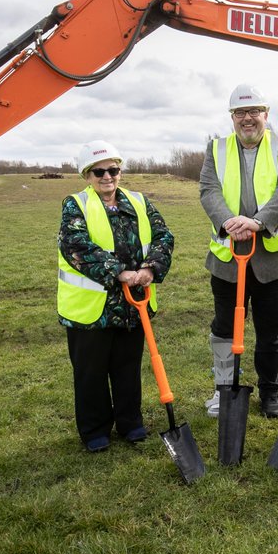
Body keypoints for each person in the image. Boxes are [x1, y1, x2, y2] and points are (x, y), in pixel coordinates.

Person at [57, 140, 174, 452]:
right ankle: (95, 430)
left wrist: (150, 268)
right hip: (90, 309)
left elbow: (163, 236)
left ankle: (130, 423)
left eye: (113, 170)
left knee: (127, 368)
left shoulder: (138, 201)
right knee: (90, 373)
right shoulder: (76, 205)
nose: (107, 177)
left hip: (132, 305)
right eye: (99, 172)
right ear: (87, 174)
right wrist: (119, 272)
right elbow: (75, 246)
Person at [198, 83, 278, 418]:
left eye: (254, 111)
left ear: (266, 114)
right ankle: (224, 390)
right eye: (240, 112)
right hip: (228, 258)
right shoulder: (216, 148)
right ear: (232, 117)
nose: (248, 118)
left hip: (272, 258)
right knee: (224, 329)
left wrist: (257, 222)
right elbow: (209, 190)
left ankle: (270, 391)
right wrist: (229, 222)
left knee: (270, 332)